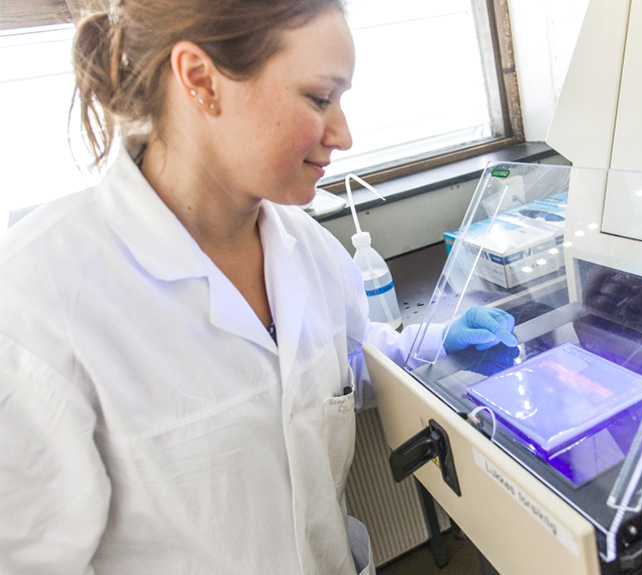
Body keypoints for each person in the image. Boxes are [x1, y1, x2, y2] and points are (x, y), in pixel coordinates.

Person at [0, 1, 516, 573]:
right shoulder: (36, 304)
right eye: (320, 98)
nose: (343, 134)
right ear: (200, 80)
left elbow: (342, 365)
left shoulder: (307, 248)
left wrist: (438, 343)